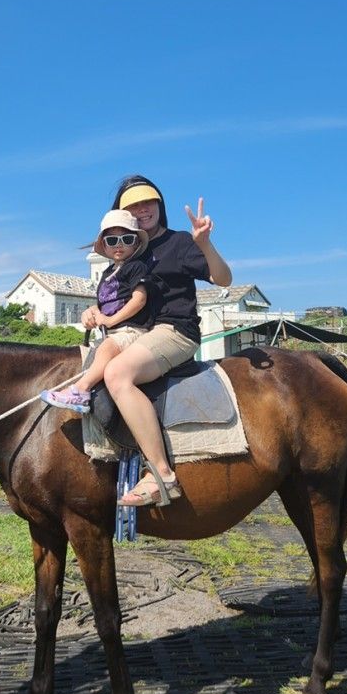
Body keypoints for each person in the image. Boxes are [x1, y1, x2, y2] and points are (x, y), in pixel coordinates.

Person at [82, 175, 232, 507]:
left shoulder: (178, 243)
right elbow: (115, 300)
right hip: (131, 333)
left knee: (118, 374)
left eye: (147, 201)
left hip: (173, 330)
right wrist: (94, 311)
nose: (142, 209)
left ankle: (162, 475)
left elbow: (224, 279)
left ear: (159, 204)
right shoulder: (126, 252)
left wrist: (204, 243)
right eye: (132, 205)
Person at [41, 209, 154, 414]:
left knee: (106, 349)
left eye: (126, 239)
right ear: (105, 246)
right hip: (111, 332)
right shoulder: (108, 273)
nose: (119, 244)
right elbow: (104, 304)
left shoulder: (136, 267)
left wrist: (110, 320)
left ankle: (81, 390)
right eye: (112, 241)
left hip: (131, 330)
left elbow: (139, 299)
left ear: (136, 243)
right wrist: (93, 313)